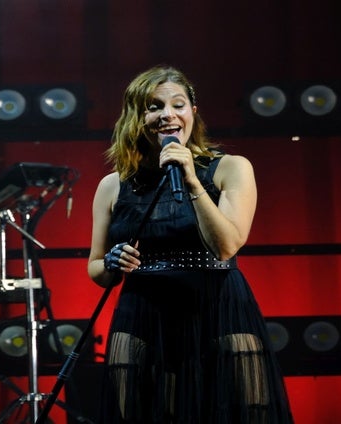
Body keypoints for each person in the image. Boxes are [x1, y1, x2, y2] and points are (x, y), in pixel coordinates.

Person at [87, 65, 294, 423]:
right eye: (154, 107)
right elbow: (96, 268)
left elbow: (227, 245)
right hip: (144, 313)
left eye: (178, 105)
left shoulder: (231, 168)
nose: (168, 115)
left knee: (243, 412)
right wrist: (111, 262)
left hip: (218, 307)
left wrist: (193, 181)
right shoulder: (113, 185)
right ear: (137, 118)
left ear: (192, 113)